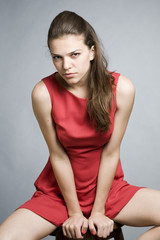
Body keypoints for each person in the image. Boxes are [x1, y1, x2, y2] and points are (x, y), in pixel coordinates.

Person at [0, 10, 160, 240]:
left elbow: (111, 152)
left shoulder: (122, 89)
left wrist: (98, 210)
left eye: (75, 54)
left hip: (110, 191)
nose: (66, 66)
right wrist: (74, 212)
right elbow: (58, 155)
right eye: (57, 57)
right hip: (58, 195)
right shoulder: (43, 93)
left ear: (92, 51)